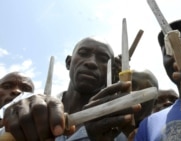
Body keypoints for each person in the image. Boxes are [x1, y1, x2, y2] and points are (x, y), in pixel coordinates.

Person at [1, 36, 157, 141]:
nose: (91, 62)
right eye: (83, 53)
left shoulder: (118, 131)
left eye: (103, 59)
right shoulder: (32, 113)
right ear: (69, 62)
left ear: (113, 71)